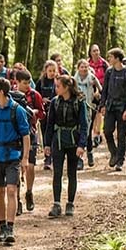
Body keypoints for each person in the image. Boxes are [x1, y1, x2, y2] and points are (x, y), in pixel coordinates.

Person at [0, 78, 31, 246]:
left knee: (11, 190)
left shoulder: (17, 111)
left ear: (1, 92)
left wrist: (24, 158)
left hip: (13, 156)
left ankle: (10, 228)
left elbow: (25, 135)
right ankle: (2, 226)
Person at [44, 77, 88, 218]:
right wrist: (47, 144)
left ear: (66, 87)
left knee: (71, 172)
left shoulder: (79, 102)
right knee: (57, 172)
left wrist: (81, 145)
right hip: (58, 140)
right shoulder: (55, 103)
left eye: (58, 86)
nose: (56, 88)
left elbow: (84, 124)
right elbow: (49, 124)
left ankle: (70, 203)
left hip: (73, 140)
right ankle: (56, 204)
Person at [100, 48, 126, 171]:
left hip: (122, 108)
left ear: (117, 58)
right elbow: (104, 90)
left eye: (111, 57)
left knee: (121, 135)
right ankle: (114, 153)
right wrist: (102, 105)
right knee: (107, 130)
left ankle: (120, 160)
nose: (109, 59)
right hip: (111, 106)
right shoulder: (109, 72)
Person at [14, 69, 45, 213]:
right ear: (17, 82)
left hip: (31, 133)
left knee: (30, 166)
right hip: (14, 135)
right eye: (25, 83)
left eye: (29, 82)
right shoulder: (11, 95)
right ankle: (17, 199)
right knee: (16, 168)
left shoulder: (34, 95)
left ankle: (29, 192)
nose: (28, 85)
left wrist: (34, 113)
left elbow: (42, 113)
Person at [74, 59, 102, 169]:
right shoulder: (74, 80)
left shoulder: (92, 78)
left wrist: (96, 94)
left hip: (90, 108)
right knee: (79, 132)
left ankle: (89, 153)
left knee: (87, 132)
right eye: (82, 67)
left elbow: (100, 90)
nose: (84, 69)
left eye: (86, 66)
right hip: (77, 109)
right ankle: (79, 159)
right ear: (78, 68)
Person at [37, 61, 60, 173]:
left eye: (53, 71)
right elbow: (35, 96)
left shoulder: (59, 82)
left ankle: (54, 157)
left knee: (54, 133)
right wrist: (42, 100)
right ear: (45, 71)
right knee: (46, 132)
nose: (52, 73)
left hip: (56, 111)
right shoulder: (40, 82)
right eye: (50, 70)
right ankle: (47, 158)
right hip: (45, 112)